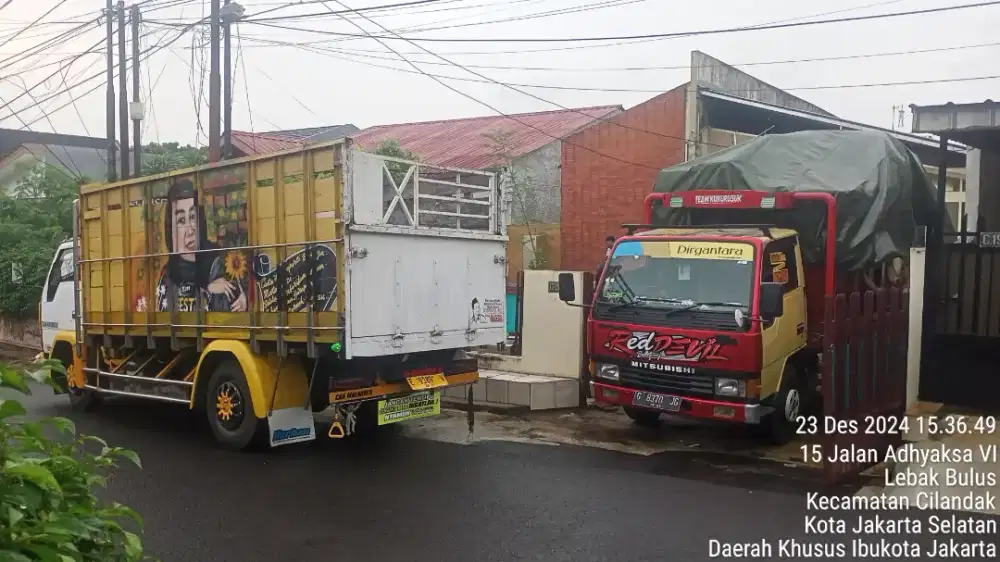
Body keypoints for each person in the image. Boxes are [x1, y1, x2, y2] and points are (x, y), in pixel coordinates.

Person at [155, 179, 248, 313]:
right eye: (181, 220)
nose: (190, 230)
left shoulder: (219, 260)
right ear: (171, 230)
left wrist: (244, 299)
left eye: (193, 217)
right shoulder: (169, 274)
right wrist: (208, 289)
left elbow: (242, 290)